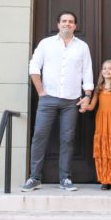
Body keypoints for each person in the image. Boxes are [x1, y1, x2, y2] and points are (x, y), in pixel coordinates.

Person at [21, 11, 93, 192]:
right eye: (64, 21)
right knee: (39, 137)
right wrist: (41, 91)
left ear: (75, 26)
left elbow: (88, 73)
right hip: (48, 99)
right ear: (58, 24)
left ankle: (65, 179)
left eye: (71, 22)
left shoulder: (82, 47)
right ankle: (34, 177)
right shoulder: (46, 44)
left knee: (67, 139)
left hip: (72, 101)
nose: (67, 24)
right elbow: (34, 66)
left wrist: (87, 95)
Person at [81, 60, 111, 190]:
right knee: (103, 148)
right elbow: (92, 106)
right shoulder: (98, 88)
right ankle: (105, 180)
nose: (106, 71)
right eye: (104, 68)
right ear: (102, 71)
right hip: (102, 120)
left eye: (109, 69)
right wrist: (85, 106)